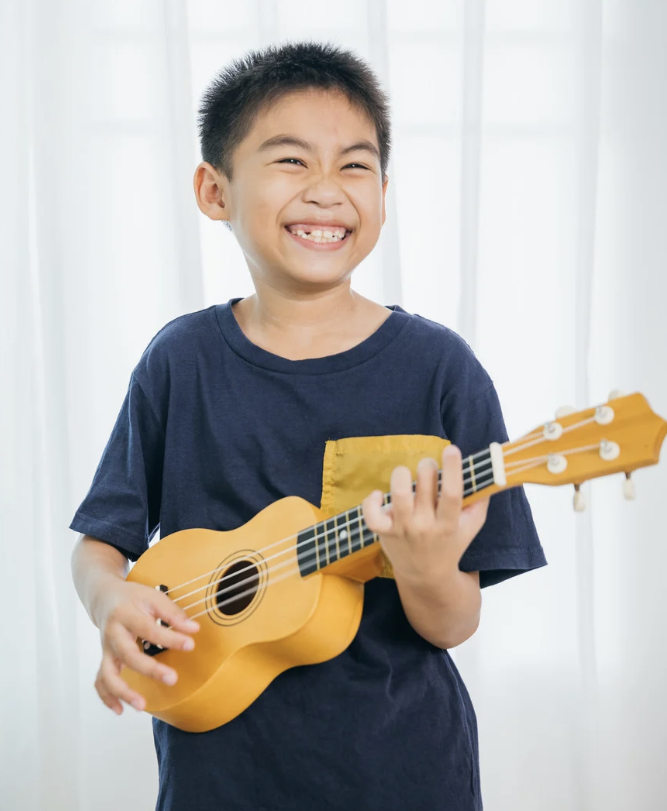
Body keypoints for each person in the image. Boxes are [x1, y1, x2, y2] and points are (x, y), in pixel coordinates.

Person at [69, 40, 547, 811]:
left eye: (355, 165)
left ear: (385, 191)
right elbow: (102, 540)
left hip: (402, 768)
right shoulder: (180, 360)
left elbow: (456, 621)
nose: (328, 190)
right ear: (214, 189)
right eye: (291, 161)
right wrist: (108, 601)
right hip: (217, 776)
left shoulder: (439, 370)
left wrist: (425, 568)